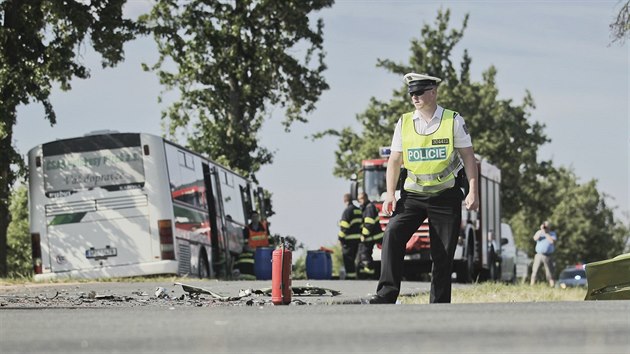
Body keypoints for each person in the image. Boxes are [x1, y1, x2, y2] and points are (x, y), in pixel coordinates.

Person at [368, 73, 479, 304]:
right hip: (413, 196)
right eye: (411, 94)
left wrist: (472, 191)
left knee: (443, 253)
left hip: (445, 195)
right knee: (392, 234)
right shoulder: (404, 122)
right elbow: (395, 161)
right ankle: (386, 294)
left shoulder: (453, 120)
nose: (414, 97)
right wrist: (390, 193)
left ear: (433, 92)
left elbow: (468, 157)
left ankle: (438, 303)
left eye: (419, 92)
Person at [235, 211, 271, 280]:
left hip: (264, 252)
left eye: (256, 216)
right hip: (252, 251)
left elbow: (270, 241)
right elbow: (245, 245)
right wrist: (252, 250)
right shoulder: (247, 229)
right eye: (253, 217)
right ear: (251, 218)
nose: (255, 218)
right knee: (245, 259)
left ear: (259, 217)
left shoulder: (265, 228)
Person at [357, 192, 384, 279]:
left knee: (365, 256)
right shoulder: (365, 207)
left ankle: (369, 275)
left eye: (360, 199)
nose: (359, 201)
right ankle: (364, 275)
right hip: (370, 236)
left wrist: (364, 235)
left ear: (365, 198)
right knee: (364, 255)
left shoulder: (369, 207)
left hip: (372, 236)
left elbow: (369, 223)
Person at [338, 193, 363, 280]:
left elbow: (344, 227)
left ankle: (350, 277)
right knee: (354, 259)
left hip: (348, 240)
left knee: (348, 260)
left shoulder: (347, 211)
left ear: (345, 200)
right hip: (357, 240)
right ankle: (354, 276)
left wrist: (340, 238)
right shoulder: (358, 210)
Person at [530, 220, 557, 287]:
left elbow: (551, 241)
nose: (546, 228)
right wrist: (542, 231)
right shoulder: (539, 232)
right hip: (538, 255)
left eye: (547, 226)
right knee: (535, 270)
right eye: (545, 226)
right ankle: (532, 285)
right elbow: (535, 238)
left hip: (548, 256)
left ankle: (552, 285)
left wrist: (546, 233)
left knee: (549, 272)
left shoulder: (552, 233)